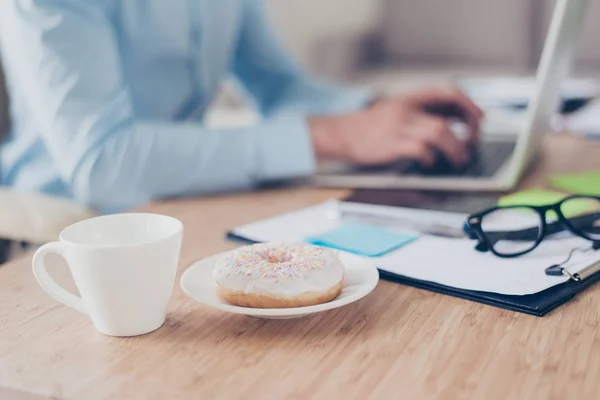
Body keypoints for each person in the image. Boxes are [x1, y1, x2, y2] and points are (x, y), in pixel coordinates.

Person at [0, 1, 483, 214]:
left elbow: (277, 85)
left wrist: (377, 112)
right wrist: (332, 136)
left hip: (183, 198)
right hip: (62, 223)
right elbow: (101, 162)